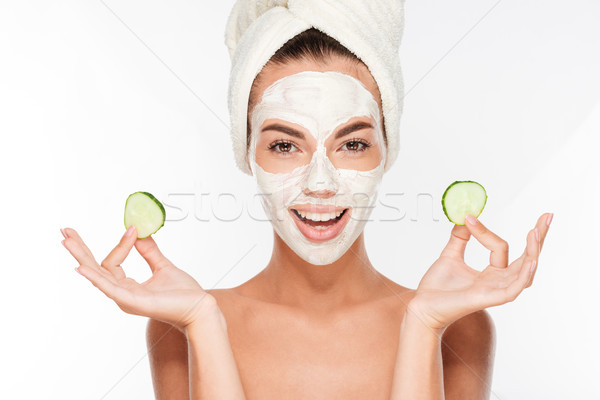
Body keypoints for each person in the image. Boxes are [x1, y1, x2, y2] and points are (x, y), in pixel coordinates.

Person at [60, 4, 553, 400]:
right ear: (247, 152)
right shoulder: (180, 327)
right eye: (284, 144)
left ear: (387, 150)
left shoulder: (457, 326)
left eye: (353, 144)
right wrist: (203, 324)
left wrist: (422, 325)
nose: (321, 184)